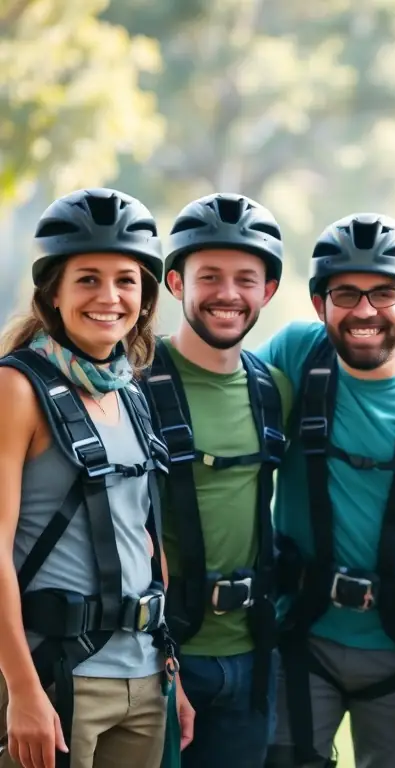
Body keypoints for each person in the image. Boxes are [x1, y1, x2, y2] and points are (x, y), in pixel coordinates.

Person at [259, 213, 395, 768]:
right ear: (319, 305)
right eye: (345, 294)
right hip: (300, 634)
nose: (364, 311)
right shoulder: (294, 355)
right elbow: (217, 397)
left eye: (384, 293)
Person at [0, 188, 188, 768]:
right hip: (56, 677)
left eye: (126, 281)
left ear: (145, 297)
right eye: (87, 279)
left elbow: (144, 538)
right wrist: (22, 690)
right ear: (53, 294)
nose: (109, 297)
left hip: (145, 677)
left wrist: (171, 672)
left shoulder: (130, 392)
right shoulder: (16, 389)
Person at [138, 193, 294, 767]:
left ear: (267, 292)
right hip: (157, 656)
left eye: (245, 279)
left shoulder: (273, 390)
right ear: (175, 284)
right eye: (209, 277)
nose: (228, 294)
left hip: (251, 657)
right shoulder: (134, 383)